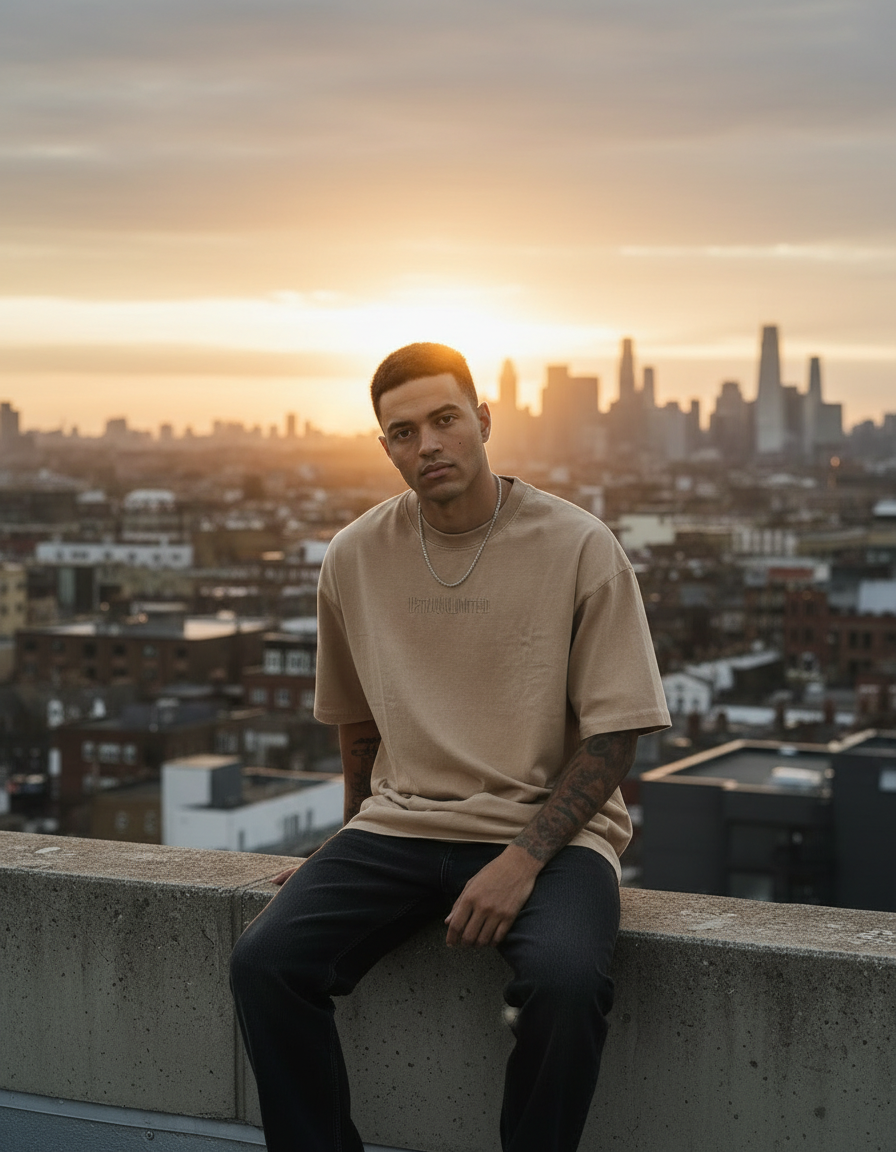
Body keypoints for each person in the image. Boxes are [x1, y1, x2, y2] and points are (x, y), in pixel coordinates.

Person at [229, 342, 670, 1152]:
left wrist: (522, 860)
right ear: (386, 446)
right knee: (265, 963)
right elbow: (357, 727)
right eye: (403, 432)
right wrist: (346, 838)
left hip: (553, 837)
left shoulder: (580, 546)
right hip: (396, 829)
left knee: (566, 983)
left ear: (483, 420)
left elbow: (617, 735)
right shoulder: (355, 555)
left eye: (444, 420)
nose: (427, 444)